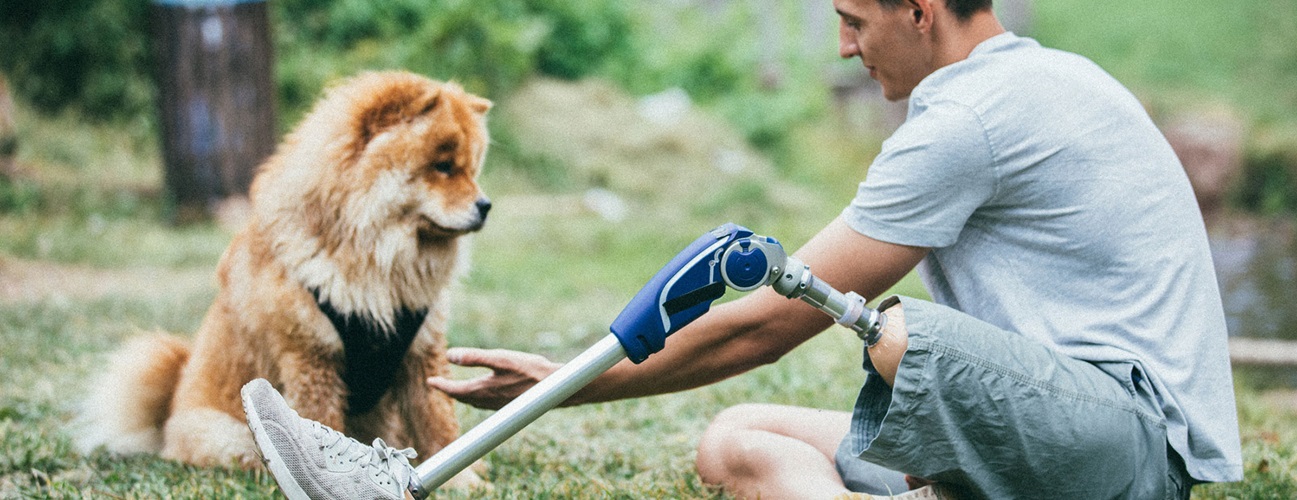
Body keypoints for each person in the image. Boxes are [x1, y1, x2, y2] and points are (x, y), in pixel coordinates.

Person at [242, 0, 1244, 498]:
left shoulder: (972, 119)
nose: (845, 47)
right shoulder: (1025, 82)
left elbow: (773, 319)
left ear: (923, 11)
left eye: (855, 20)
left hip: (1123, 449)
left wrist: (566, 384)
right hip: (1050, 432)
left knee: (897, 340)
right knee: (737, 440)